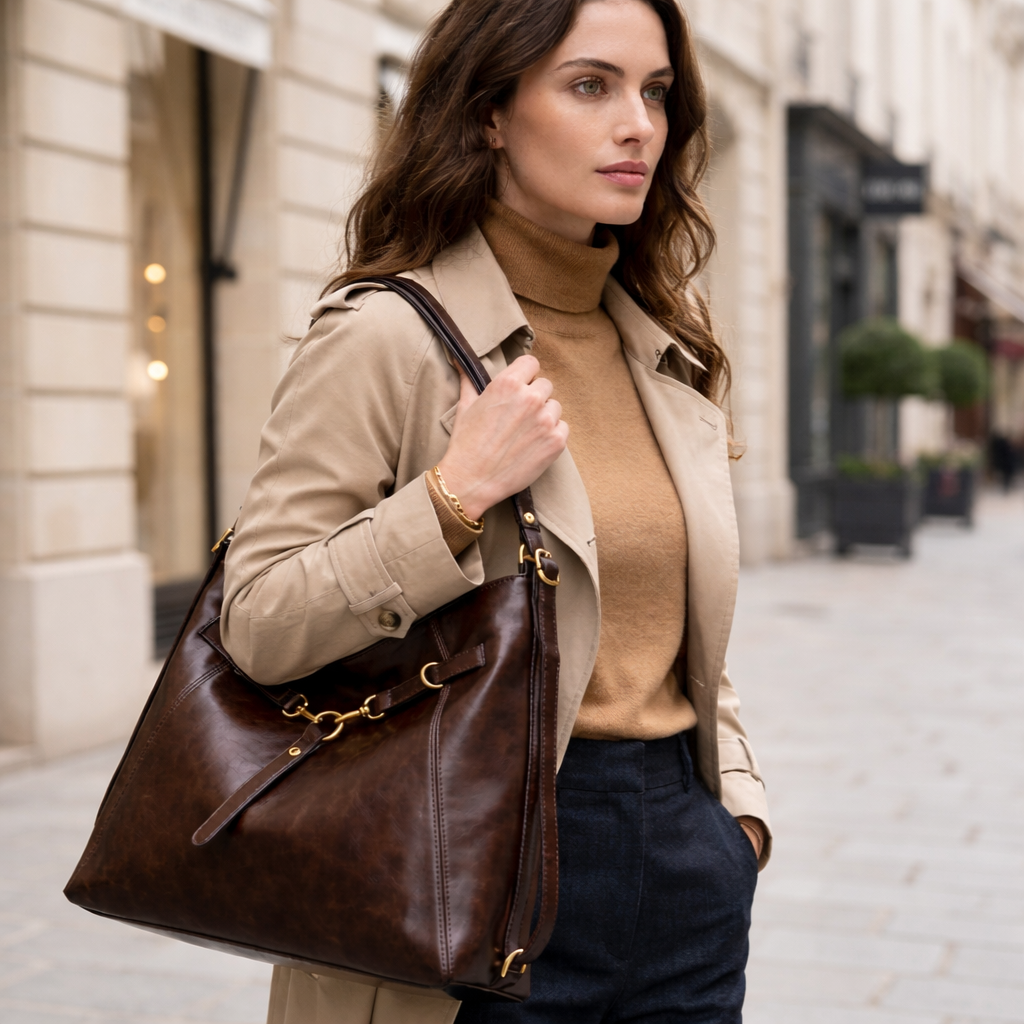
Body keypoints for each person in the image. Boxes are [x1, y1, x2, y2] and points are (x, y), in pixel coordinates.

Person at [221, 0, 770, 1020]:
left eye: (654, 93)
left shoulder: (660, 344)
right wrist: (451, 498)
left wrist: (734, 813)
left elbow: (674, 621)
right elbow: (255, 621)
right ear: (488, 114)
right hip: (461, 867)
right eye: (589, 85)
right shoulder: (383, 332)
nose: (638, 124)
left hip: (680, 870)